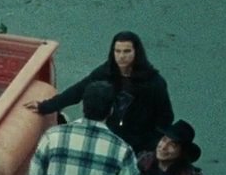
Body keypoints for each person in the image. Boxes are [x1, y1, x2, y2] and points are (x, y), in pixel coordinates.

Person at [24, 30, 174, 155]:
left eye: (127, 51)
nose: (121, 56)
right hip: (110, 136)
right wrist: (45, 106)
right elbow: (78, 91)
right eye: (117, 51)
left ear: (137, 53)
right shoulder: (107, 72)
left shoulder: (153, 83)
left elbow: (165, 117)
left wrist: (149, 145)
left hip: (139, 143)